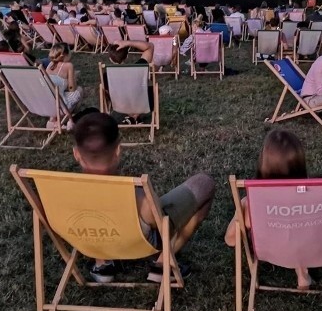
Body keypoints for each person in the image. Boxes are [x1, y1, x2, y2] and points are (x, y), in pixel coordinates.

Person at [72, 112, 215, 283]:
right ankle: (161, 265)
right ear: (118, 150)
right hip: (135, 242)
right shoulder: (138, 195)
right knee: (204, 183)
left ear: (76, 154)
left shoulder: (59, 193)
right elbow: (160, 223)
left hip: (88, 238)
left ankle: (103, 264)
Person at [225, 130, 312, 289]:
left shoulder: (251, 204)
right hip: (309, 246)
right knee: (300, 231)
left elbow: (230, 240)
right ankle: (302, 273)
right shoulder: (315, 197)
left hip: (270, 250)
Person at [106, 39, 156, 124]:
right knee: (154, 90)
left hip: (119, 105)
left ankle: (132, 117)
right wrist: (128, 43)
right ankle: (136, 116)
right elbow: (150, 46)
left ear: (110, 59)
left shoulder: (108, 74)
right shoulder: (139, 68)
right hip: (142, 104)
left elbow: (107, 94)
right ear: (127, 56)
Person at [45, 43, 83, 114]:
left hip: (47, 104)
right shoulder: (68, 66)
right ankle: (71, 116)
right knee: (80, 90)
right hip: (60, 107)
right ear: (65, 54)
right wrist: (73, 77)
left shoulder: (50, 65)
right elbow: (71, 89)